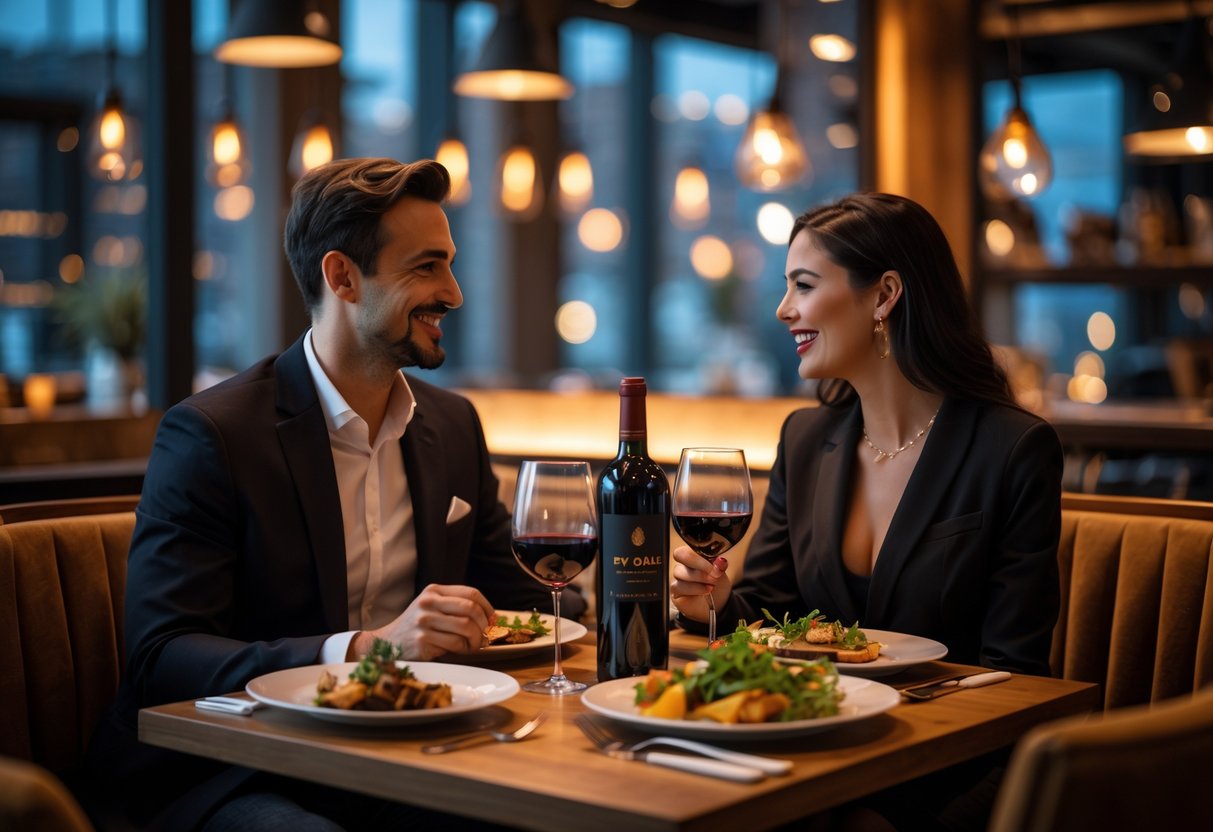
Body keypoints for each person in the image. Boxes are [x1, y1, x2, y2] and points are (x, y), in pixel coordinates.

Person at [88, 158, 577, 831]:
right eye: (426, 267)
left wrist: (631, 593)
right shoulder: (211, 435)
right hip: (233, 772)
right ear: (342, 276)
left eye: (451, 265)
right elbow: (162, 654)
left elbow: (521, 599)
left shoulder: (453, 425)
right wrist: (368, 649)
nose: (454, 293)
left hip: (409, 754)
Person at [671, 192, 1063, 831]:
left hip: (950, 763)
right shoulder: (805, 441)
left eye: (803, 284)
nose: (783, 308)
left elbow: (1015, 678)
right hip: (815, 753)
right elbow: (772, 615)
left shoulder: (1012, 449)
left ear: (884, 295)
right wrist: (709, 605)